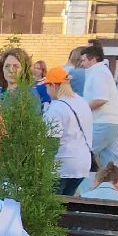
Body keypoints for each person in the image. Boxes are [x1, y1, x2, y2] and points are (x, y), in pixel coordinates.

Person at [41, 66, 93, 196]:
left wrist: (42, 169)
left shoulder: (56, 108)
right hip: (83, 164)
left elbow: (52, 144)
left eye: (47, 87)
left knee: (52, 206)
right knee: (68, 205)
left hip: (62, 165)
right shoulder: (82, 102)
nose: (47, 91)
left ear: (53, 85)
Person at [77, 43, 118, 169]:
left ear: (93, 59)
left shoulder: (98, 73)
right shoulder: (100, 72)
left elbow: (101, 99)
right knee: (110, 161)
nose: (82, 64)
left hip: (104, 122)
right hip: (112, 122)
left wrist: (81, 109)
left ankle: (80, 187)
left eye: (83, 60)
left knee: (82, 154)